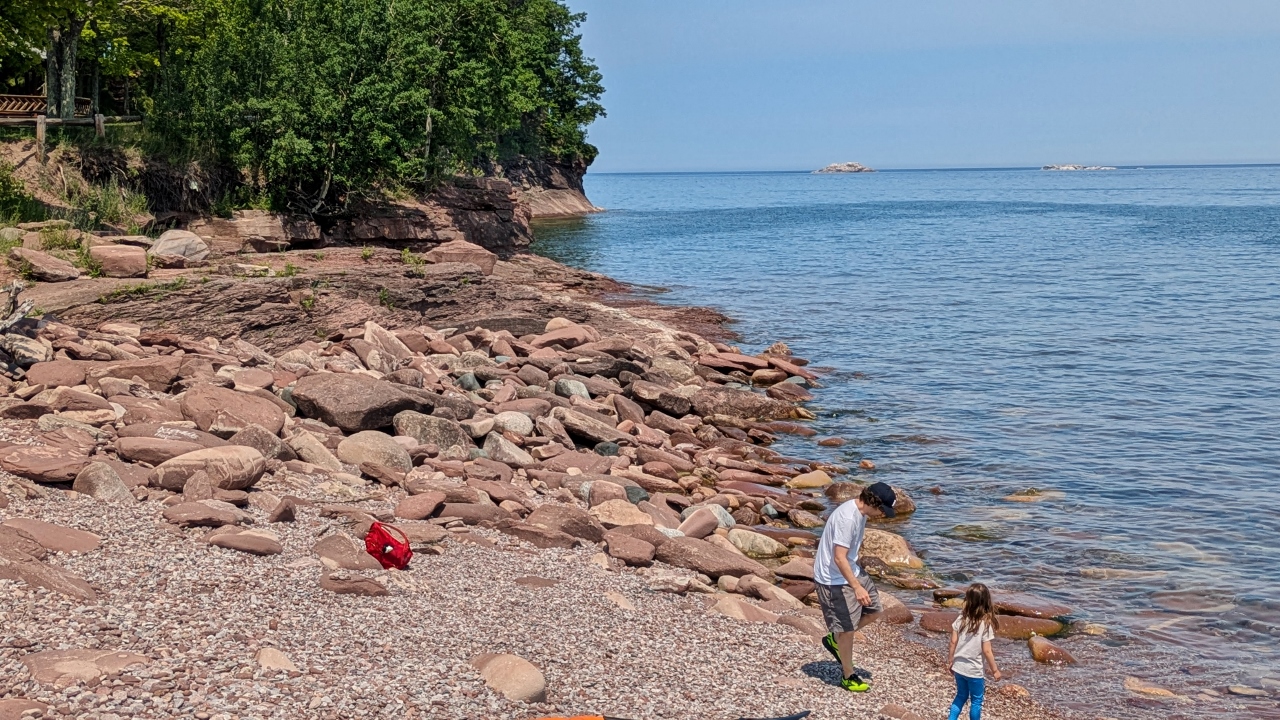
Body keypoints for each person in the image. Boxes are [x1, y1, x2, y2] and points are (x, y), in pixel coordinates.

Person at [814, 481, 897, 692]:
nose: (882, 515)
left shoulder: (861, 513)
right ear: (874, 502)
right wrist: (856, 587)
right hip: (834, 579)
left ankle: (836, 638)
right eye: (882, 510)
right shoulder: (848, 518)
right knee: (848, 629)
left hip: (851, 570)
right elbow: (839, 558)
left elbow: (847, 557)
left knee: (875, 610)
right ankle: (848, 676)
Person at [947, 583, 1002, 720]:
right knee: (976, 701)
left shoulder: (960, 619)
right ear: (986, 602)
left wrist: (950, 660)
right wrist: (995, 670)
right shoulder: (985, 624)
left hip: (959, 666)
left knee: (960, 696)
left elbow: (953, 641)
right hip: (974, 671)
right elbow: (987, 650)